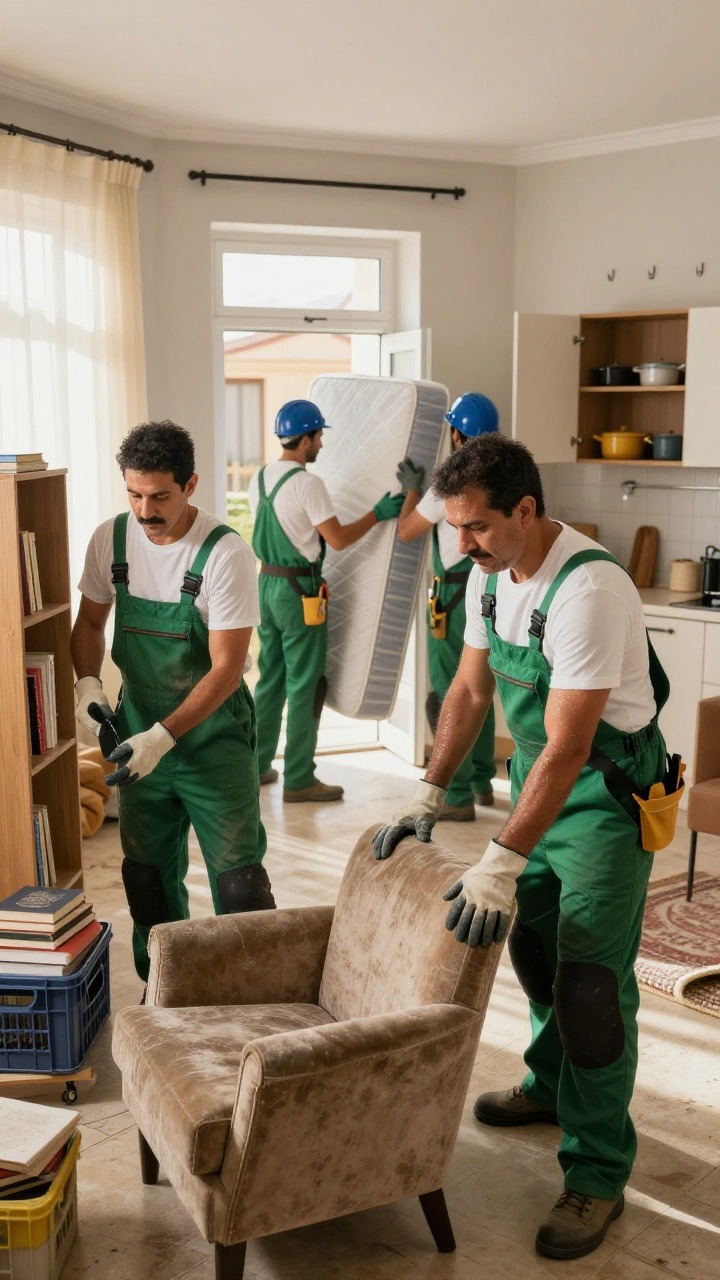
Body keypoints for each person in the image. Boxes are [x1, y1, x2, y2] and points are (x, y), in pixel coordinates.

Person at [373, 434, 671, 1261]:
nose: (460, 544)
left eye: (474, 528)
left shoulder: (591, 589)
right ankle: (548, 1085)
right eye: (456, 528)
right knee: (534, 953)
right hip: (538, 793)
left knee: (589, 989)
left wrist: (500, 857)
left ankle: (599, 1171)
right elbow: (470, 690)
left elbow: (569, 747)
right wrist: (430, 790)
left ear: (526, 512)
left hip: (604, 799)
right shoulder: (484, 576)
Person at [71, 420, 273, 984]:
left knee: (240, 889)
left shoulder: (223, 554)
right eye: (134, 494)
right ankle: (165, 993)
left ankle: (252, 1001)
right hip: (135, 737)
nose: (145, 510)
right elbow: (87, 623)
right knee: (146, 882)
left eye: (160, 496)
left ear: (191, 486)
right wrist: (89, 685)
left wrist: (166, 736)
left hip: (212, 739)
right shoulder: (110, 540)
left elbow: (229, 668)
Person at [249, 398, 404, 802]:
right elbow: (337, 539)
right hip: (299, 593)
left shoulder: (261, 477)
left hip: (266, 586)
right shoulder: (306, 483)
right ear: (305, 439)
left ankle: (257, 765)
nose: (321, 445)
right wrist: (378, 513)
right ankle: (299, 777)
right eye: (318, 437)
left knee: (271, 681)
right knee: (306, 685)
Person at [396, 392, 499, 820]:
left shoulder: (448, 487)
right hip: (492, 593)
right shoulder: (500, 481)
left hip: (453, 597)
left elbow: (406, 530)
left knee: (450, 690)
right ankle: (479, 781)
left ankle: (454, 796)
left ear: (455, 433)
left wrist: (412, 491)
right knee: (482, 688)